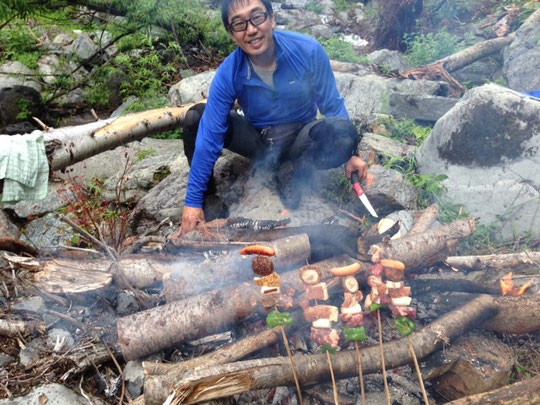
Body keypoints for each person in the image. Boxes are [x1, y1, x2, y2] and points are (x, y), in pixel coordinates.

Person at [178, 0, 368, 235]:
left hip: (301, 139)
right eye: (239, 24)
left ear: (272, 18)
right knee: (196, 117)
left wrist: (351, 155)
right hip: (259, 141)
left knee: (342, 130)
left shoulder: (308, 51)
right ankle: (210, 201)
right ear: (231, 33)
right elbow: (210, 134)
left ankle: (298, 174)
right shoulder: (230, 71)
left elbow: (332, 104)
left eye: (257, 17)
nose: (251, 29)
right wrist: (193, 201)